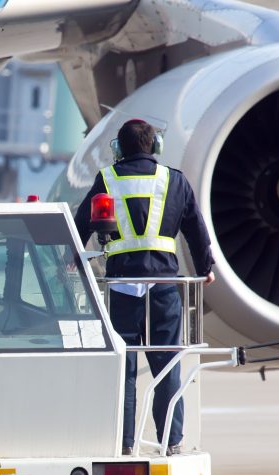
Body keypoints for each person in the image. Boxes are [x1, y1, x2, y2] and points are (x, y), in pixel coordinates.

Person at [73, 119, 215, 456]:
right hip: (164, 289)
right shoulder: (174, 180)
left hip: (121, 288)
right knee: (166, 366)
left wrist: (71, 260)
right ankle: (170, 442)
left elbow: (81, 224)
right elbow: (196, 228)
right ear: (155, 147)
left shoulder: (107, 179)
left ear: (119, 149)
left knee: (123, 370)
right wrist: (206, 269)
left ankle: (123, 443)